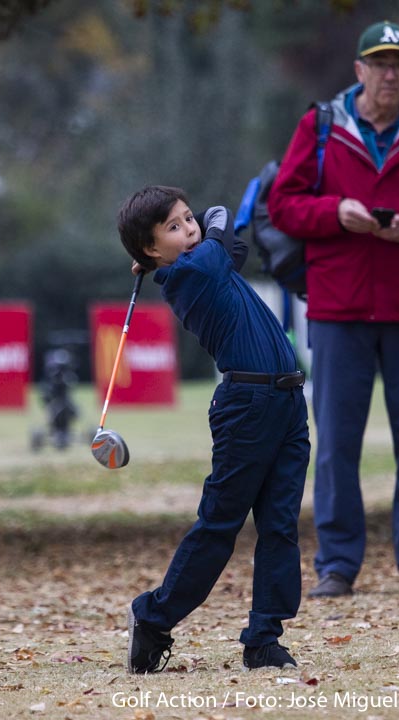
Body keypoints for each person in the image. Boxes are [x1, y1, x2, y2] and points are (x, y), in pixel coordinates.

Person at [268, 21, 399, 597]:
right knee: (337, 445)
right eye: (381, 63)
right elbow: (283, 205)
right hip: (339, 309)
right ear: (359, 70)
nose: (391, 74)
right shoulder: (320, 128)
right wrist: (334, 212)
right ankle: (337, 566)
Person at [116, 185, 310, 672]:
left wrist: (160, 246)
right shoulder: (193, 272)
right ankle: (153, 617)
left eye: (188, 219)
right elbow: (221, 216)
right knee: (220, 525)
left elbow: (223, 234)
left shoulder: (208, 261)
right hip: (247, 406)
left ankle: (264, 638)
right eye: (174, 227)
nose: (190, 229)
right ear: (151, 248)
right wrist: (165, 252)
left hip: (288, 401)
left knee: (280, 526)